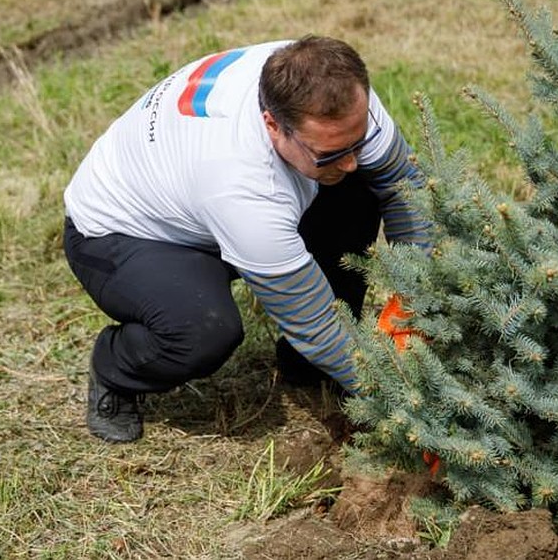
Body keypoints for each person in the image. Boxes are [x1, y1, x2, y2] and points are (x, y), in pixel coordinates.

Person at [62, 35, 430, 443]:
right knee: (203, 330)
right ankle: (116, 368)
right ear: (273, 124)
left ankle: (309, 368)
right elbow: (315, 322)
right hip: (123, 235)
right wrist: (401, 402)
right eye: (328, 154)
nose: (350, 160)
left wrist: (414, 302)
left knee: (357, 189)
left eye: (357, 142)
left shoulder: (332, 88)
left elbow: (402, 187)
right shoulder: (240, 183)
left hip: (199, 197)